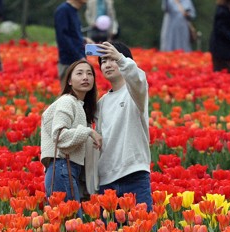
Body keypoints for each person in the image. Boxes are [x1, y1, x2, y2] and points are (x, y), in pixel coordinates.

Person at [95, 41, 152, 215]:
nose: (107, 64)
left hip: (134, 174)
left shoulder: (135, 94)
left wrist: (119, 57)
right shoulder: (101, 103)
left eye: (111, 59)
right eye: (103, 61)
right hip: (107, 180)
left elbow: (137, 78)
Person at [41, 59, 101, 203]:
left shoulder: (80, 106)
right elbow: (59, 135)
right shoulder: (67, 101)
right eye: (79, 73)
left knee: (70, 223)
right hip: (62, 167)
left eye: (89, 74)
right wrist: (89, 132)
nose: (85, 77)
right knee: (73, 223)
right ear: (69, 81)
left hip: (68, 170)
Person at [55, 0, 87, 84]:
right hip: (68, 63)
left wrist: (83, 40)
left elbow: (72, 35)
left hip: (76, 61)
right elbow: (63, 38)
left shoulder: (74, 11)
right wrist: (79, 57)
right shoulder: (63, 10)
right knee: (68, 95)